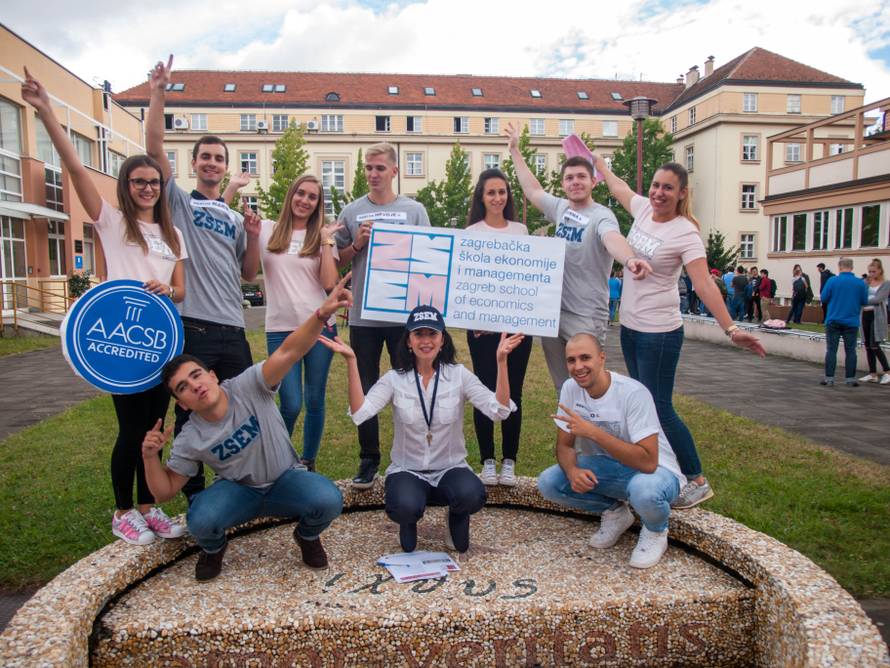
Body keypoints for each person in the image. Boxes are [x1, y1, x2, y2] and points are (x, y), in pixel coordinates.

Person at [22, 69, 188, 546]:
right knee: (130, 429)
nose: (148, 188)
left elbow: (180, 290)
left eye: (154, 181)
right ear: (126, 185)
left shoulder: (170, 233)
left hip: (163, 341)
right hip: (122, 345)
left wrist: (166, 289)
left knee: (156, 428)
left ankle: (148, 505)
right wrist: (48, 112)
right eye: (139, 181)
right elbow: (75, 168)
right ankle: (122, 512)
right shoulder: (112, 222)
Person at [141, 276, 352, 580]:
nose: (196, 386)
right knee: (200, 521)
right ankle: (214, 549)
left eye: (197, 375)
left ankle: (306, 536)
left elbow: (290, 351)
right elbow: (165, 491)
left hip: (286, 480)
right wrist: (150, 457)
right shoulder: (190, 436)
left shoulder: (249, 385)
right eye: (183, 387)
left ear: (212, 376)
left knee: (328, 499)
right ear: (182, 404)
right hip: (239, 492)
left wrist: (322, 314)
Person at [591, 157, 765, 509]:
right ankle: (660, 466)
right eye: (655, 185)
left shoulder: (685, 232)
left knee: (659, 407)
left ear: (682, 193)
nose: (658, 193)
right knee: (642, 406)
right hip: (632, 326)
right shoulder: (641, 210)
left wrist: (730, 328)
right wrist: (600, 165)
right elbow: (620, 188)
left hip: (660, 333)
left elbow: (703, 283)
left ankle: (697, 480)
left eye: (667, 188)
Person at [146, 55, 261, 503]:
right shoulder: (180, 204)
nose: (212, 164)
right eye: (206, 158)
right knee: (191, 412)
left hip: (233, 329)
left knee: (241, 408)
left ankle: (241, 486)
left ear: (225, 167)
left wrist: (251, 236)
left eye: (219, 159)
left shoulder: (232, 216)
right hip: (192, 326)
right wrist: (159, 92)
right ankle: (194, 496)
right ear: (194, 164)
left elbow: (249, 273)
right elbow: (154, 147)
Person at [321, 306, 524, 554]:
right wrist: (352, 362)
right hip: (409, 469)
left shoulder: (458, 375)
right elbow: (361, 412)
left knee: (471, 495)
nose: (426, 341)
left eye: (432, 334)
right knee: (404, 508)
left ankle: (456, 514)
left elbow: (499, 411)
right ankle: (409, 519)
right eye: (419, 334)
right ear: (408, 340)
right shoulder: (395, 378)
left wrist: (501, 362)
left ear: (442, 340)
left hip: (450, 467)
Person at [504, 122, 650, 391]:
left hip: (585, 317)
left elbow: (612, 238)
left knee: (591, 388)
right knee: (565, 389)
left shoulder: (601, 215)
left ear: (594, 180)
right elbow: (533, 190)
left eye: (582, 176)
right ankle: (570, 433)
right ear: (563, 184)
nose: (575, 182)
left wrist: (629, 259)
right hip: (552, 315)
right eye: (570, 178)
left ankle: (595, 435)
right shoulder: (560, 209)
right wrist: (515, 151)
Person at [537, 334, 684, 569]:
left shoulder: (633, 393)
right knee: (550, 482)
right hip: (610, 466)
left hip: (658, 472)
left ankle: (656, 531)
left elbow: (648, 462)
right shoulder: (570, 388)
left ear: (602, 358)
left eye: (585, 358)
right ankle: (615, 512)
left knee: (643, 491)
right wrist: (573, 470)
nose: (578, 367)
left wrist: (593, 432)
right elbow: (564, 445)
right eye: (571, 360)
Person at [334, 143, 431, 489]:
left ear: (394, 171)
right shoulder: (352, 211)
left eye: (379, 168)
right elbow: (337, 261)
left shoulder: (414, 210)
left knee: (413, 385)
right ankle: (368, 458)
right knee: (366, 387)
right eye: (368, 168)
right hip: (364, 318)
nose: (373, 174)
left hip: (405, 318)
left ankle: (415, 455)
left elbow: (428, 259)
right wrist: (357, 244)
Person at [256, 175, 340, 471]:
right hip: (280, 329)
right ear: (291, 195)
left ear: (318, 204)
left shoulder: (322, 236)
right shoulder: (267, 230)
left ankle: (308, 461)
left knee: (315, 397)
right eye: (300, 193)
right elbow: (248, 268)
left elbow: (329, 282)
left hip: (319, 326)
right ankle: (278, 459)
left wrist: (327, 240)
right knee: (290, 402)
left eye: (312, 197)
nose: (304, 200)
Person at [465, 169, 534, 487]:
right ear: (481, 196)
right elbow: (466, 283)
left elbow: (529, 278)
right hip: (482, 330)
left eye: (502, 192)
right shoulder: (471, 232)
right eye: (491, 192)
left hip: (517, 328)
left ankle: (509, 461)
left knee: (512, 392)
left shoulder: (521, 231)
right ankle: (488, 461)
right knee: (484, 392)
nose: (497, 198)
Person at [820, 258, 868, 387]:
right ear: (852, 268)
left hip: (833, 320)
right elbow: (864, 300)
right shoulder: (860, 283)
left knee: (831, 350)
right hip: (851, 321)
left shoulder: (832, 281)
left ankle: (829, 378)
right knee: (851, 350)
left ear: (840, 267)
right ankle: (850, 379)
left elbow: (824, 297)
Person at [858, 259, 890, 384]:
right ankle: (873, 373)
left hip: (877, 316)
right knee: (867, 345)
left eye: (874, 271)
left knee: (874, 345)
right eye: (869, 271)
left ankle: (887, 371)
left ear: (880, 270)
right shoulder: (866, 282)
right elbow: (860, 295)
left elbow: (878, 299)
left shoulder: (886, 283)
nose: (871, 274)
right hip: (865, 314)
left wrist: (864, 300)